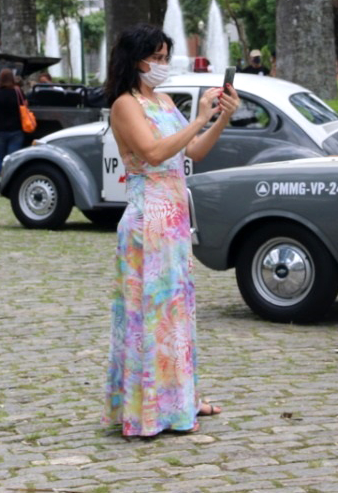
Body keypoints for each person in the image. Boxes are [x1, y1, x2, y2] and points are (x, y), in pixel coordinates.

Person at [103, 24, 239, 437]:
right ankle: (150, 410)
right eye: (156, 58)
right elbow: (153, 152)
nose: (162, 65)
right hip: (149, 220)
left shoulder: (161, 100)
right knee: (150, 316)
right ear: (135, 59)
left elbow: (192, 150)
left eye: (165, 57)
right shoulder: (125, 105)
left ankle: (181, 402)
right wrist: (198, 117)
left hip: (175, 219)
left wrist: (218, 119)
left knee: (176, 316)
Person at [0, 68, 25, 190]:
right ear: (12, 79)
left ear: (0, 79)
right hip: (15, 130)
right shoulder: (18, 92)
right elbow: (25, 105)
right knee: (11, 159)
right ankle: (9, 186)